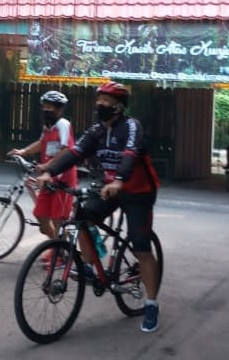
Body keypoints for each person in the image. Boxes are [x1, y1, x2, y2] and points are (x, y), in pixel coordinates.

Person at [34, 81, 162, 333]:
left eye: (106, 101)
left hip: (138, 191)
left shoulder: (131, 126)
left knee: (141, 248)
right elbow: (75, 153)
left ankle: (151, 303)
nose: (100, 104)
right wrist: (50, 171)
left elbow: (130, 153)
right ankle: (92, 267)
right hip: (109, 187)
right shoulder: (96, 131)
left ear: (119, 106)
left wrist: (120, 180)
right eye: (99, 100)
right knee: (81, 217)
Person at [7, 90, 77, 243]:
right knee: (40, 214)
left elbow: (66, 150)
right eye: (44, 107)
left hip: (62, 177)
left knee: (58, 219)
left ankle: (59, 251)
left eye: (50, 107)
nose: (46, 110)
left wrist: (47, 165)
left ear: (58, 109)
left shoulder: (63, 125)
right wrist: (23, 151)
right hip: (47, 178)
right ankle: (57, 246)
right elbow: (41, 143)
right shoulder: (48, 127)